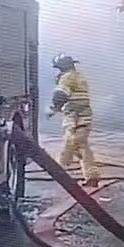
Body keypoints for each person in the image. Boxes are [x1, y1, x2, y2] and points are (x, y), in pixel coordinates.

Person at [47, 53, 98, 187]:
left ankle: (62, 171)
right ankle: (60, 170)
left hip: (76, 119)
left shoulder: (67, 78)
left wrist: (53, 109)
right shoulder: (78, 77)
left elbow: (60, 95)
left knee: (78, 146)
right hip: (82, 118)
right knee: (71, 145)